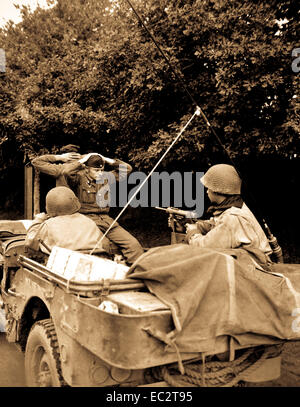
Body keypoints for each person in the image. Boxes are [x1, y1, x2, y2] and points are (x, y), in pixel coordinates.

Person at [31, 147, 144, 265]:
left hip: (106, 221)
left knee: (133, 245)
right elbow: (65, 172)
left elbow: (127, 169)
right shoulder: (78, 177)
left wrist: (104, 158)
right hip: (86, 221)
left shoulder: (105, 177)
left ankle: (136, 276)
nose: (100, 173)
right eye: (96, 170)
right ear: (86, 168)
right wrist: (80, 160)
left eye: (101, 170)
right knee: (101, 249)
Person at [185, 164, 272, 259]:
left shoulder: (232, 218)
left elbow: (204, 248)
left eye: (208, 188)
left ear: (217, 190)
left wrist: (192, 233)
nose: (207, 192)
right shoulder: (236, 206)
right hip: (251, 262)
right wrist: (195, 225)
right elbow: (216, 225)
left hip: (255, 268)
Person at [25, 186, 106, 255]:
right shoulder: (89, 222)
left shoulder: (49, 224)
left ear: (49, 208)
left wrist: (38, 220)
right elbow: (104, 245)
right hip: (92, 262)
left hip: (63, 267)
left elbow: (30, 242)